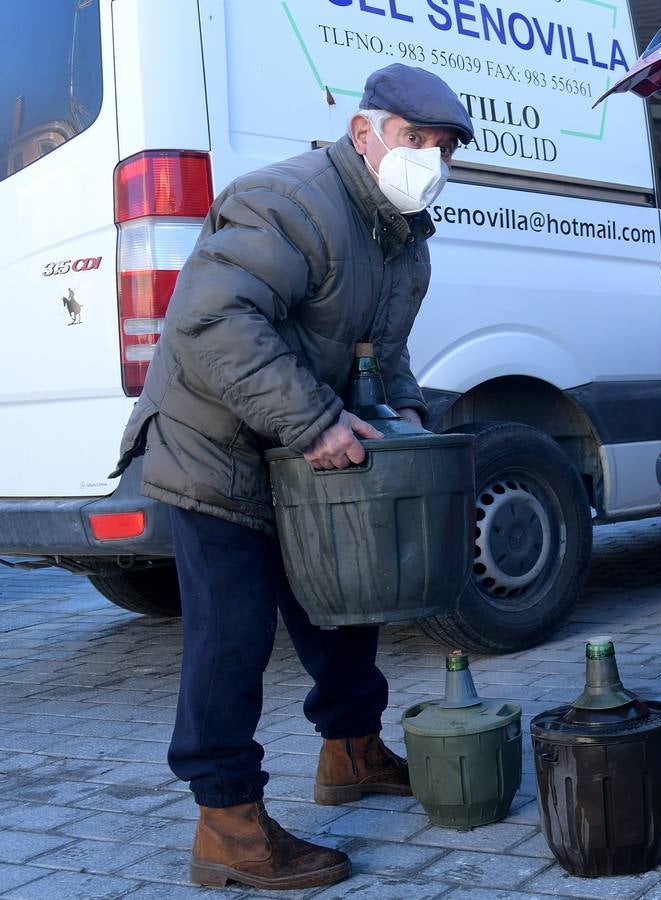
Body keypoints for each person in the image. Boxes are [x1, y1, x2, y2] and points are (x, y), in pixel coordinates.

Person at [110, 64, 474, 890]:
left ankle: (351, 753)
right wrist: (313, 420)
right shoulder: (290, 201)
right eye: (415, 140)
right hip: (217, 446)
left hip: (296, 456)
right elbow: (213, 319)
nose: (431, 159)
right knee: (232, 633)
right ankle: (227, 826)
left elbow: (384, 353)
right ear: (364, 133)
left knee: (343, 606)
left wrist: (402, 410)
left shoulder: (404, 243)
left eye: (444, 147)